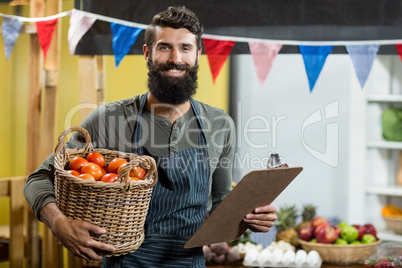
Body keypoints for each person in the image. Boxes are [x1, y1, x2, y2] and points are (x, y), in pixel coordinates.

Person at [24, 6, 277, 267]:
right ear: (148, 53)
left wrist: (248, 218)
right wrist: (59, 223)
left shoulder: (219, 124)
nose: (176, 58)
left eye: (186, 48)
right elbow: (38, 179)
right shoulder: (109, 119)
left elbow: (219, 206)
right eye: (165, 47)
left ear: (198, 55)